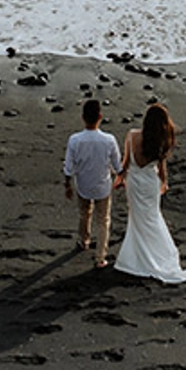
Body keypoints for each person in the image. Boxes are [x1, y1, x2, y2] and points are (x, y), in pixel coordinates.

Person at [113, 102, 186, 283]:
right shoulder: (160, 140)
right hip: (150, 183)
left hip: (134, 182)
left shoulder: (132, 135)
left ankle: (135, 256)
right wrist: (164, 183)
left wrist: (119, 178)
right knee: (152, 216)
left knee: (136, 217)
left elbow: (125, 163)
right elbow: (161, 168)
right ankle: (155, 252)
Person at [63, 98, 122, 268]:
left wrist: (67, 185)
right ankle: (100, 257)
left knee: (84, 213)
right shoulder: (109, 139)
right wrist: (121, 177)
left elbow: (69, 167)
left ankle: (84, 240)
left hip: (83, 184)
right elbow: (117, 165)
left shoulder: (75, 140)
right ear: (100, 117)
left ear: (83, 117)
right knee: (103, 221)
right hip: (103, 186)